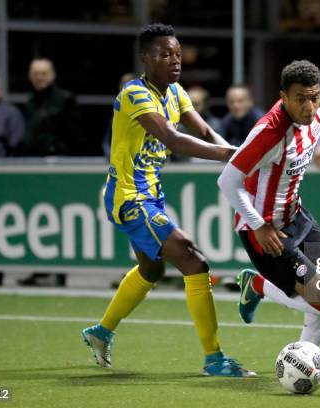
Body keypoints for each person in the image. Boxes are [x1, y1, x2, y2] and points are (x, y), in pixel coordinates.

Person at [81, 23, 254, 377]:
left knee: (152, 269)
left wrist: (237, 157)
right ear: (146, 59)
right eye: (164, 54)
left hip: (151, 197)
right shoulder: (135, 93)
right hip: (129, 198)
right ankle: (214, 359)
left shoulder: (175, 92)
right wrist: (232, 155)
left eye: (177, 54)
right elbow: (172, 139)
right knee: (193, 261)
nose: (174, 60)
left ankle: (100, 332)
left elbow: (204, 131)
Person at [217, 60, 320, 373]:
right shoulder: (268, 133)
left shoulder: (315, 116)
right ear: (283, 97)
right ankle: (258, 286)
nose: (309, 106)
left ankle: (308, 356)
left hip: (296, 217)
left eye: (315, 97)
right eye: (301, 99)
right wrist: (259, 226)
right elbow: (227, 181)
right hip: (266, 231)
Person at [21, 58, 83, 156]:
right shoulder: (29, 101)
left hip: (58, 160)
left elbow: (75, 136)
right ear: (30, 76)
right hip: (32, 159)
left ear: (53, 75)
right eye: (35, 74)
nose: (39, 77)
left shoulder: (65, 99)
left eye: (44, 73)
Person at [102, 72, 135, 161]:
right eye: (122, 85)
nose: (124, 88)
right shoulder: (115, 114)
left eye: (128, 85)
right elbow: (106, 143)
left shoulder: (149, 112)